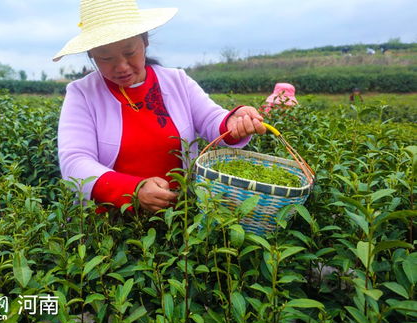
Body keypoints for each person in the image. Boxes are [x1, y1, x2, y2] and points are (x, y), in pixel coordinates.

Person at [54, 0, 266, 213]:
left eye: (130, 53)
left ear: (144, 41)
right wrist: (134, 191)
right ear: (91, 55)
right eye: (105, 58)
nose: (121, 67)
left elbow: (211, 119)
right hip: (108, 228)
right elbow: (75, 162)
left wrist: (233, 122)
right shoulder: (83, 93)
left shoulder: (177, 81)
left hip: (179, 217)